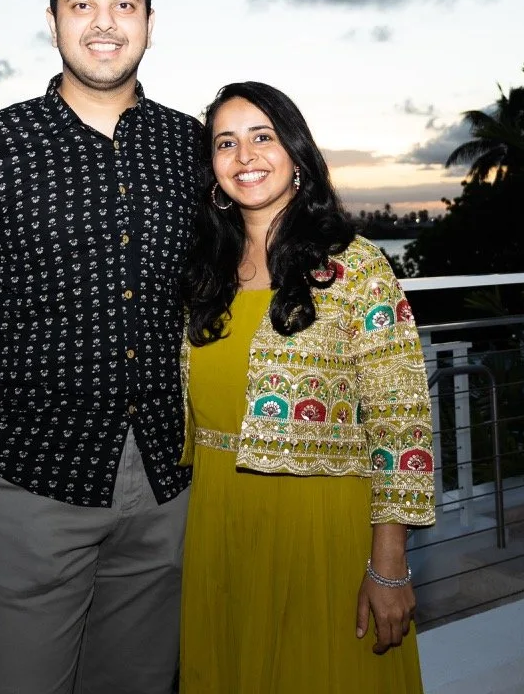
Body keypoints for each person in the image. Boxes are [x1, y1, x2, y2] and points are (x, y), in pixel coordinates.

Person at [0, 0, 199, 693]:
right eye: (83, 4)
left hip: (167, 481)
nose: (104, 23)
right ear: (53, 20)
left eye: (123, 4)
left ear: (151, 21)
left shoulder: (190, 147)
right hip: (30, 481)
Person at [178, 81, 436, 693]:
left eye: (262, 137)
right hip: (218, 517)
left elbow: (401, 417)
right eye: (226, 143)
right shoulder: (200, 272)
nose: (245, 157)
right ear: (211, 170)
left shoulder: (356, 266)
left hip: (322, 523)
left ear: (297, 154)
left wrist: (391, 565)